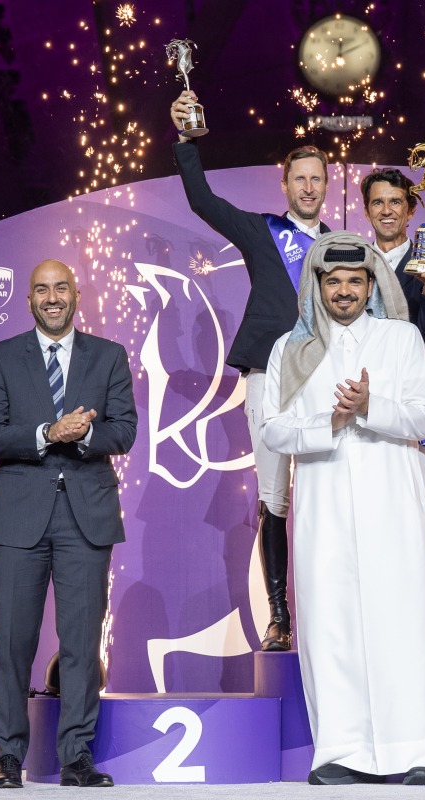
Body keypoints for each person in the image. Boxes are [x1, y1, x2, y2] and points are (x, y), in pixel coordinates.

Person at [261, 232, 425, 786]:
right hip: (323, 504)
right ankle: (342, 752)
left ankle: (418, 752)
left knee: (404, 621)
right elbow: (273, 429)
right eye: (333, 281)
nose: (344, 291)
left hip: (392, 501)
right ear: (318, 287)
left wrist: (370, 407)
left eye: (355, 281)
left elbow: (424, 418)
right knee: (331, 625)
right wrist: (330, 422)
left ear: (372, 285)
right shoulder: (290, 349)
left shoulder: (401, 339)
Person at [172, 89, 332, 652]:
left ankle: (323, 613)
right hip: (269, 377)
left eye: (317, 179)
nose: (308, 187)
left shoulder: (343, 247)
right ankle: (280, 617)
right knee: (275, 497)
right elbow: (202, 202)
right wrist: (188, 143)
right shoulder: (262, 231)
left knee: (326, 497)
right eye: (300, 179)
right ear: (284, 185)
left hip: (327, 384)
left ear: (326, 186)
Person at [0, 258, 138, 788]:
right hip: (19, 517)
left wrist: (83, 435)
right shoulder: (0, 358)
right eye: (41, 289)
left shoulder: (109, 356)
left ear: (77, 294)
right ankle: (8, 757)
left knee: (81, 642)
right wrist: (49, 431)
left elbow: (124, 431)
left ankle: (75, 757)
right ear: (29, 299)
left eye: (61, 288)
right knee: (14, 641)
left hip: (86, 518)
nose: (52, 297)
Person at [360, 167, 425, 481]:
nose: (386, 211)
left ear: (411, 211)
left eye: (395, 202)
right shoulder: (352, 264)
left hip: (410, 400)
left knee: (411, 509)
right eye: (378, 203)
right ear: (367, 210)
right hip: (360, 400)